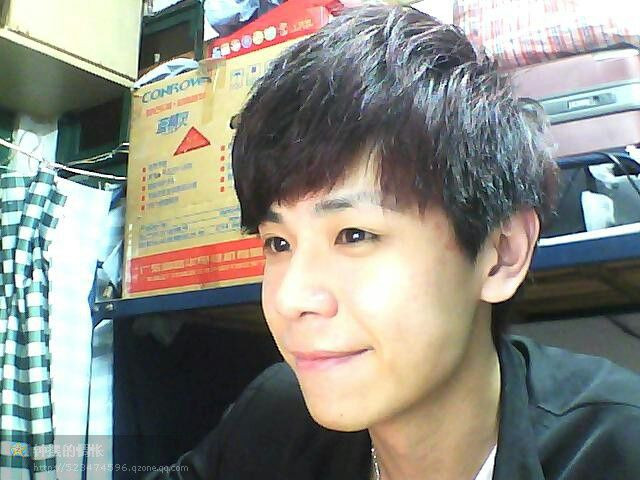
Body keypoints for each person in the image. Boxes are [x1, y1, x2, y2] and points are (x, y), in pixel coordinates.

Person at [152, 5, 640, 479]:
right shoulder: (274, 417)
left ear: (501, 254)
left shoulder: (616, 451)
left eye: (354, 235)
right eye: (278, 243)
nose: (290, 299)